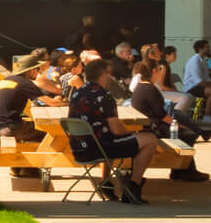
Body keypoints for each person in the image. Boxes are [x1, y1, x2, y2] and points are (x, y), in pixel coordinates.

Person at [68, 57, 159, 204]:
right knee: (149, 140)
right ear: (103, 74)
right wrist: (134, 134)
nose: (110, 77)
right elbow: (117, 130)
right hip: (99, 148)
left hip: (79, 148)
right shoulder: (104, 95)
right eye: (108, 73)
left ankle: (106, 182)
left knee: (108, 136)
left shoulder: (78, 93)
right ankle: (133, 186)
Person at [128, 60, 211, 179]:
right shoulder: (150, 89)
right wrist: (178, 125)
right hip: (154, 129)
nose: (161, 73)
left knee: (185, 131)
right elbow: (161, 115)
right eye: (159, 70)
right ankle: (184, 171)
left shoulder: (140, 87)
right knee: (188, 134)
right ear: (154, 71)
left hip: (147, 127)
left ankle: (181, 170)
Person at [183, 39, 211, 117]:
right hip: (191, 88)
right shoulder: (194, 60)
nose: (209, 49)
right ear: (200, 49)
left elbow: (207, 79)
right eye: (207, 47)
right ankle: (207, 116)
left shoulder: (203, 60)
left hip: (199, 86)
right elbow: (198, 81)